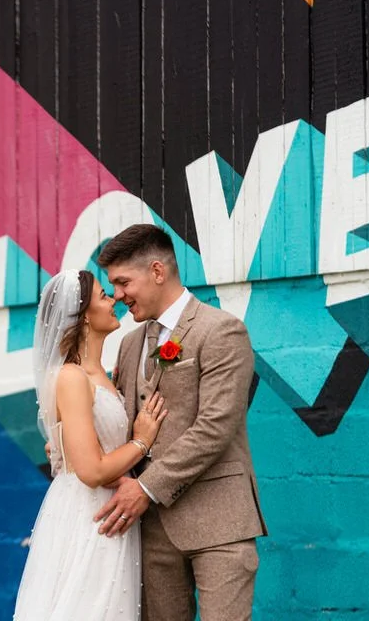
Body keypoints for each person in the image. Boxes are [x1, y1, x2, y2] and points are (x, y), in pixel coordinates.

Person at [93, 223, 268, 621]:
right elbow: (118, 420)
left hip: (219, 523)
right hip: (151, 531)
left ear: (157, 272)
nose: (118, 296)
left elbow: (215, 428)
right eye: (113, 286)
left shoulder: (221, 330)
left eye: (123, 282)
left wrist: (147, 488)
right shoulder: (130, 342)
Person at [13, 269, 168, 620]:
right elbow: (91, 470)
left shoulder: (105, 375)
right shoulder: (71, 377)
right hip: (90, 516)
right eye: (103, 295)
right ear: (82, 316)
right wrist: (142, 441)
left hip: (112, 511)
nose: (113, 299)